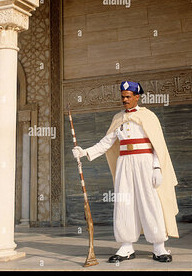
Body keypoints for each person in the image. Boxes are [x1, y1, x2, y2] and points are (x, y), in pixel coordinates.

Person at [72, 81, 179, 263]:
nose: (125, 100)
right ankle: (126, 246)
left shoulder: (149, 116)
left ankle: (159, 246)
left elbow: (157, 146)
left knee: (150, 202)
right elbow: (106, 142)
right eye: (123, 97)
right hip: (124, 163)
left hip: (145, 162)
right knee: (124, 203)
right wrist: (85, 152)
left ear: (137, 97)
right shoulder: (118, 118)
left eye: (128, 96)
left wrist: (157, 168)